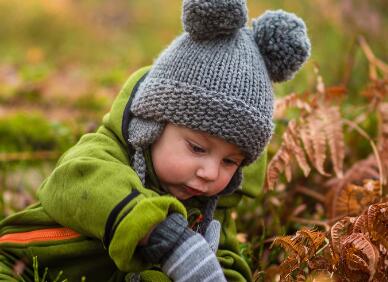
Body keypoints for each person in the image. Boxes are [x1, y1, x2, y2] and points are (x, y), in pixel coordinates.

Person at [0, 0, 310, 281]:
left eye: (230, 161)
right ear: (152, 125)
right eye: (197, 148)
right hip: (21, 262)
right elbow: (73, 182)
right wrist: (158, 232)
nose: (210, 173)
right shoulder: (104, 153)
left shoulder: (209, 206)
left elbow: (225, 260)